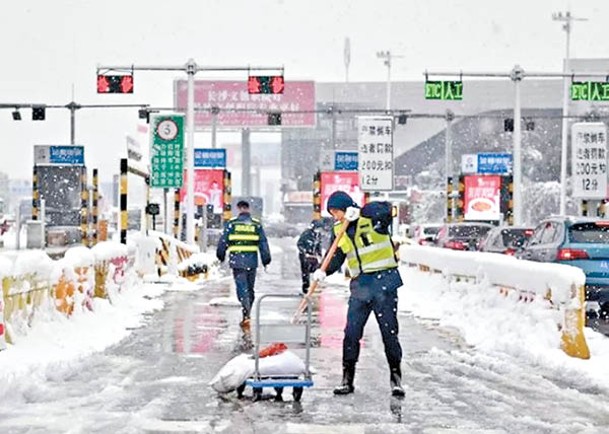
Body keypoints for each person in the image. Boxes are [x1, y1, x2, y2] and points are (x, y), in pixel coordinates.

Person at [312, 190, 405, 397]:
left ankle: (396, 378)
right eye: (332, 213)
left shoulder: (372, 218)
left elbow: (387, 210)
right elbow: (334, 256)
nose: (335, 216)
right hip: (361, 288)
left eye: (336, 211)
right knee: (351, 334)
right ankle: (347, 379)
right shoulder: (339, 229)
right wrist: (322, 270)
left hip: (384, 285)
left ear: (346, 208)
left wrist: (362, 210)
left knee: (389, 333)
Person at [216, 200, 271, 330]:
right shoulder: (256, 225)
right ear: (248, 209)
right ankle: (247, 312)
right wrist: (266, 259)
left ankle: (245, 310)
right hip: (252, 262)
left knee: (242, 287)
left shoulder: (232, 224)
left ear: (239, 209)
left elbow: (223, 241)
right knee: (250, 288)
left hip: (237, 262)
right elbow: (263, 244)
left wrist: (221, 255)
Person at [296, 220, 324, 294]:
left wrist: (319, 255)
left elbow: (318, 245)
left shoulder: (318, 235)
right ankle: (306, 288)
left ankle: (314, 285)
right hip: (305, 256)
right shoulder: (306, 233)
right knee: (305, 272)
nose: (319, 230)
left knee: (316, 269)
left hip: (313, 255)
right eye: (318, 228)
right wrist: (304, 252)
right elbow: (299, 244)